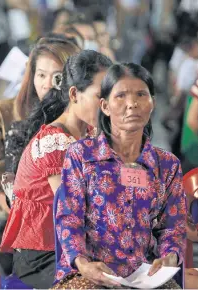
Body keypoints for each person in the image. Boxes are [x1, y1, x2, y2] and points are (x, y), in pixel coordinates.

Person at [53, 63, 186, 289]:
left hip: (143, 276)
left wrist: (169, 257)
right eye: (121, 96)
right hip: (89, 274)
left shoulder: (166, 165)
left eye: (141, 95)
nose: (132, 104)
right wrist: (83, 264)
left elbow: (173, 227)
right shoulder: (81, 156)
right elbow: (69, 219)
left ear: (152, 103)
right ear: (104, 106)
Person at [0, 50, 112, 288]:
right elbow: (73, 209)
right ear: (74, 94)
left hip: (77, 244)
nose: (107, 106)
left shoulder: (90, 134)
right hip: (43, 253)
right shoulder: (55, 143)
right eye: (100, 97)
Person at [0, 37, 80, 278]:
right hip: (12, 200)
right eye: (40, 75)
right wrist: (7, 202)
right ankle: (15, 278)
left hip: (61, 201)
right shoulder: (2, 112)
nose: (46, 84)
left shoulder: (78, 115)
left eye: (56, 76)